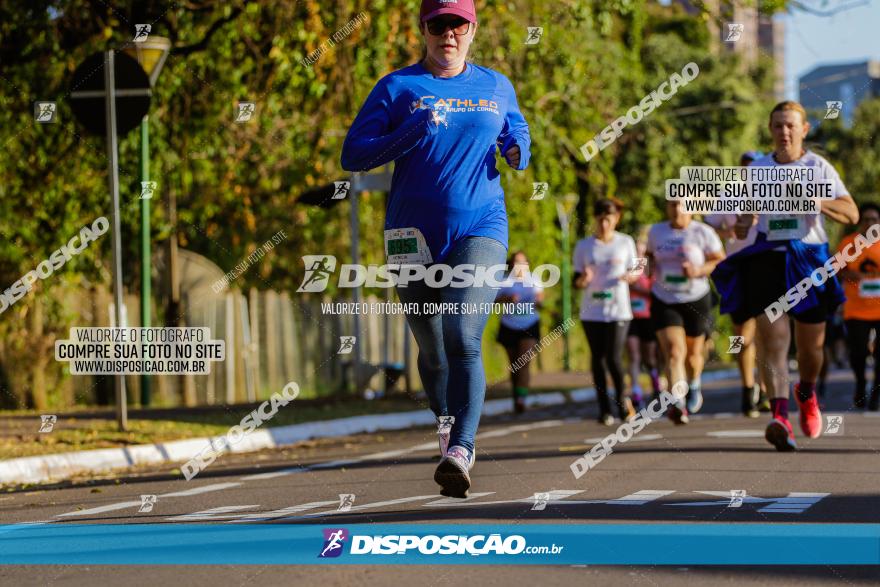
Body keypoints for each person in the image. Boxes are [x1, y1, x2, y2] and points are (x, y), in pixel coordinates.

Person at [341, 0, 531, 497]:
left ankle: (461, 449)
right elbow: (353, 154)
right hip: (412, 238)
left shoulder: (495, 85)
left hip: (481, 228)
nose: (448, 33)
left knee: (462, 334)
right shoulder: (397, 88)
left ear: (472, 29)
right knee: (431, 345)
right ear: (424, 29)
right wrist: (408, 132)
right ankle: (445, 423)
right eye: (438, 24)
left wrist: (517, 149)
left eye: (458, 24)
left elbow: (518, 128)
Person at [715, 100, 858, 451]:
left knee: (811, 350)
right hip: (769, 258)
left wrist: (817, 202)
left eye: (791, 125)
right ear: (770, 130)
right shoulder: (757, 170)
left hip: (810, 260)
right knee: (774, 341)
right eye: (778, 125)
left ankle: (806, 393)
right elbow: (744, 219)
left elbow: (852, 213)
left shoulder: (818, 167)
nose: (784, 132)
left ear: (804, 129)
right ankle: (779, 417)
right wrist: (744, 222)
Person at [647, 201, 725, 424]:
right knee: (673, 351)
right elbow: (647, 257)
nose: (676, 210)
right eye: (671, 205)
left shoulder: (703, 232)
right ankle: (677, 402)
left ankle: (694, 384)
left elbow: (720, 259)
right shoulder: (656, 231)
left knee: (693, 356)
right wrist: (642, 269)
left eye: (681, 205)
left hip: (696, 298)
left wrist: (699, 270)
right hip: (665, 298)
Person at [705, 151, 770, 417]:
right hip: (737, 268)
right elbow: (709, 227)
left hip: (766, 267)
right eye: (745, 167)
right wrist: (727, 231)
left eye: (754, 167)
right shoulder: (729, 194)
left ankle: (766, 391)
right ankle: (747, 391)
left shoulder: (770, 194)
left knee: (767, 333)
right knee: (742, 335)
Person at [573, 198, 640, 425]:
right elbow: (576, 279)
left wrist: (631, 276)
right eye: (600, 219)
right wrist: (584, 279)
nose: (604, 224)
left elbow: (638, 267)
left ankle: (622, 402)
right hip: (592, 311)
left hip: (618, 310)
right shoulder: (584, 246)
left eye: (608, 219)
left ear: (616, 219)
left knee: (613, 357)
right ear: (595, 219)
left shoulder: (625, 242)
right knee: (598, 359)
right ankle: (604, 408)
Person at [837, 202, 880, 410]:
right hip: (856, 309)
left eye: (874, 220)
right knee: (858, 353)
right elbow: (836, 270)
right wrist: (849, 274)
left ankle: (876, 394)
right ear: (860, 222)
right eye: (866, 220)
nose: (870, 223)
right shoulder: (849, 243)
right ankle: (861, 382)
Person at [496, 251, 544, 414]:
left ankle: (521, 400)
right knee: (514, 366)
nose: (519, 266)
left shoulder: (533, 280)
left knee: (523, 362)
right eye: (516, 262)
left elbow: (540, 296)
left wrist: (539, 301)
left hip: (529, 325)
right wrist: (507, 299)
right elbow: (493, 300)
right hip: (508, 325)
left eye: (522, 263)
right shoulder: (504, 281)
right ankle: (516, 396)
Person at [625, 230, 661, 407]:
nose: (639, 254)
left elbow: (656, 292)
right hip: (630, 317)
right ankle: (636, 392)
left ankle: (655, 383)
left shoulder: (651, 269)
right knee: (633, 354)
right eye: (636, 251)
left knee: (649, 357)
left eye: (642, 251)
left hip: (648, 317)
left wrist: (638, 290)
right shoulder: (628, 269)